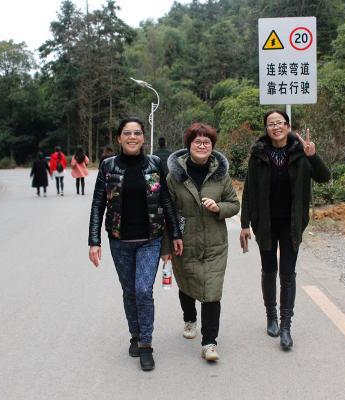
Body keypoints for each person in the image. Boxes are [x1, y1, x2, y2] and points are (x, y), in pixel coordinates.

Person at [88, 117, 183, 371]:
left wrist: (175, 234)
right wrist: (94, 240)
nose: (132, 137)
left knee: (143, 290)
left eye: (137, 133)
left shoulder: (154, 164)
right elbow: (98, 204)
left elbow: (165, 200)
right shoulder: (108, 166)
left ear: (143, 138)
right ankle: (135, 334)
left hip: (150, 240)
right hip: (119, 241)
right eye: (127, 133)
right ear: (119, 138)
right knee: (129, 291)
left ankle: (146, 344)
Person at [239, 110, 331, 350]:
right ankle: (271, 316)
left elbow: (324, 177)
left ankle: (286, 326)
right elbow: (249, 189)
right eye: (271, 124)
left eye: (280, 123)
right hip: (265, 223)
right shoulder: (258, 154)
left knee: (288, 273)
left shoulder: (301, 152)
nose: (276, 127)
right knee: (269, 270)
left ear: (288, 126)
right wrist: (245, 223)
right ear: (266, 128)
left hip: (292, 224)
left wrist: (313, 156)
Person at [161, 123, 239, 362]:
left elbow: (234, 204)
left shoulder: (221, 175)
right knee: (187, 285)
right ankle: (189, 318)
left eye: (207, 142)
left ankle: (209, 343)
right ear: (189, 145)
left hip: (215, 244)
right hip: (184, 242)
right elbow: (167, 213)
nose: (202, 145)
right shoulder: (174, 176)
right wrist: (166, 247)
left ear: (212, 146)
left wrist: (219, 207)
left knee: (212, 291)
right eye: (198, 141)